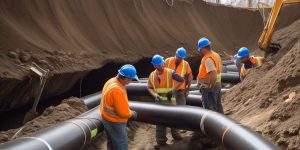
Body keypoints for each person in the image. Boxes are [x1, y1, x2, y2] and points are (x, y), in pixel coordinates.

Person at [147, 54, 184, 148]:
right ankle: (160, 140)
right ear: (154, 65)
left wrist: (172, 90)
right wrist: (154, 95)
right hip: (159, 101)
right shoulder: (152, 75)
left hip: (169, 99)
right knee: (160, 120)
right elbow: (149, 87)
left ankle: (176, 134)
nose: (162, 66)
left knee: (173, 118)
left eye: (162, 64)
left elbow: (181, 80)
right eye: (159, 65)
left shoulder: (170, 72)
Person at [100, 64, 138, 150]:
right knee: (121, 143)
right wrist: (132, 114)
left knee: (112, 141)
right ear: (125, 78)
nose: (131, 81)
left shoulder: (111, 81)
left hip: (106, 118)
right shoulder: (117, 90)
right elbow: (123, 113)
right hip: (115, 121)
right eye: (131, 79)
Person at [197, 37, 224, 114]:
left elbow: (213, 73)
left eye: (200, 50)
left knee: (210, 109)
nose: (200, 51)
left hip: (209, 87)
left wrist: (210, 87)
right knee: (218, 106)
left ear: (203, 48)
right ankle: (222, 123)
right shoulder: (216, 55)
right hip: (217, 85)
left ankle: (212, 125)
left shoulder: (208, 59)